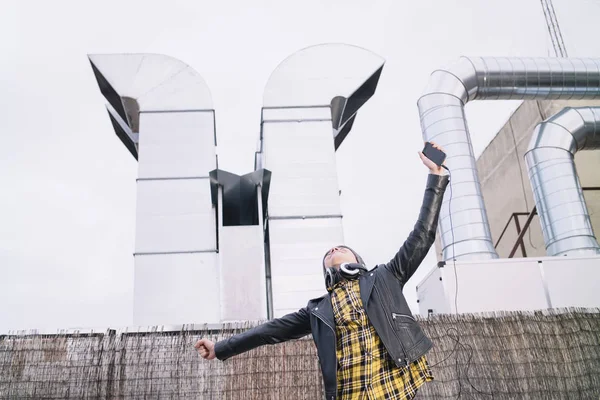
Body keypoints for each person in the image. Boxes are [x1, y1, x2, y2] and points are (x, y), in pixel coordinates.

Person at [196, 143, 449, 400]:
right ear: (328, 276)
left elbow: (422, 235)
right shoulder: (318, 310)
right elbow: (268, 332)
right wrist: (220, 348)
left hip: (394, 388)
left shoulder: (385, 278)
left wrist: (436, 176)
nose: (333, 249)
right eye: (328, 252)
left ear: (356, 264)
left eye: (340, 248)